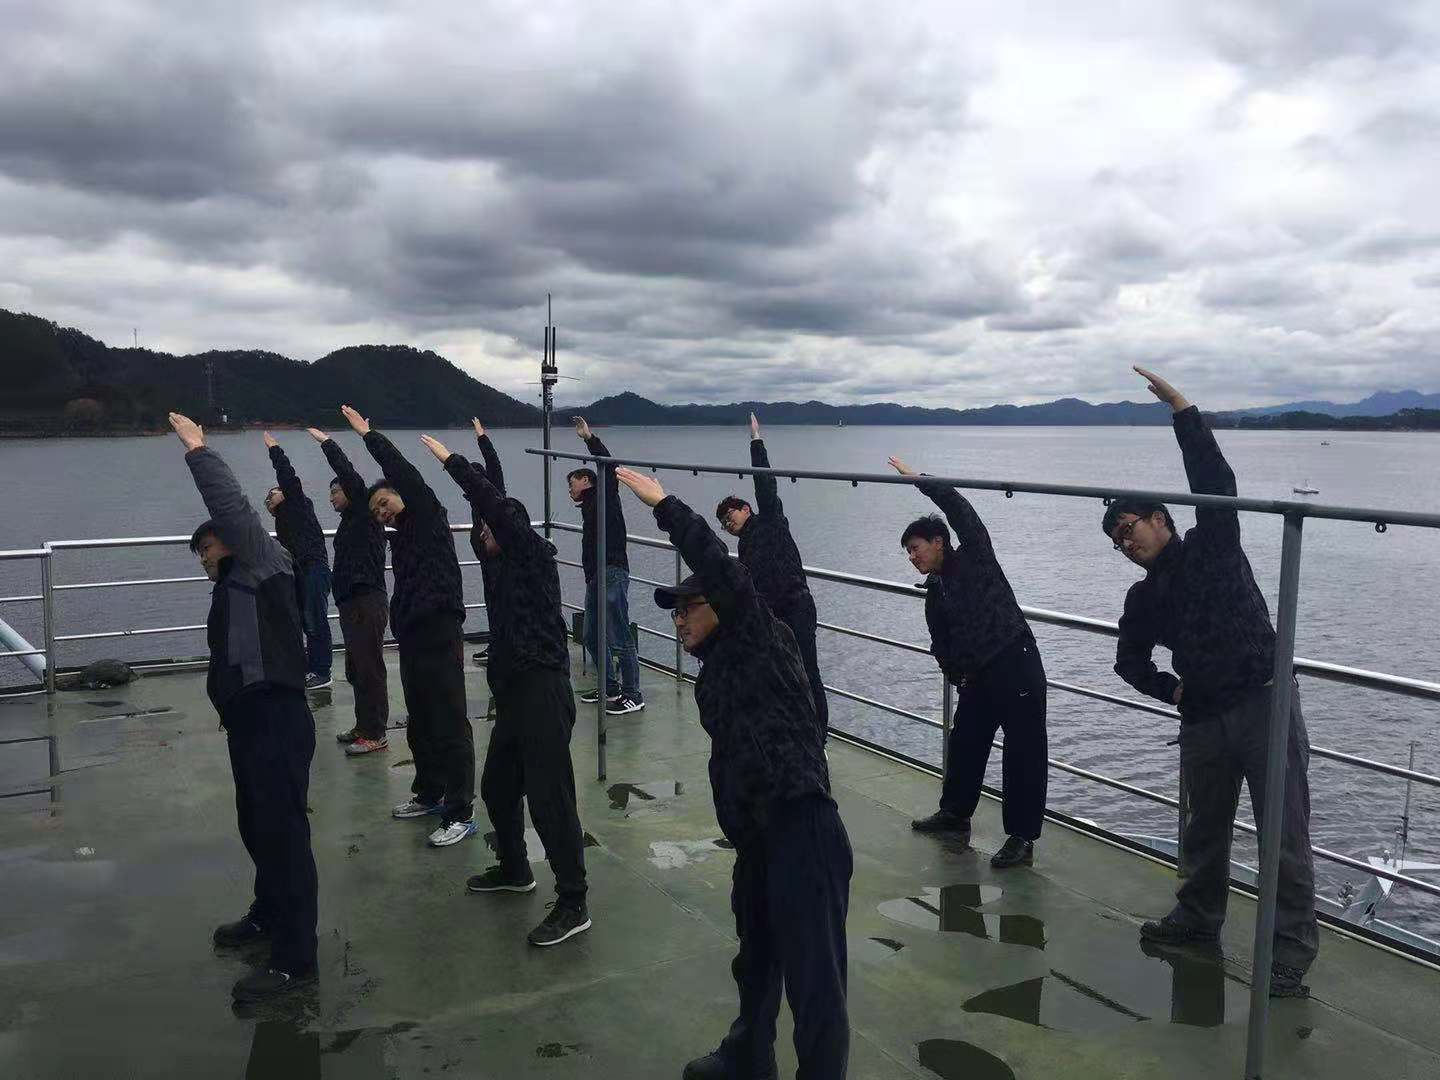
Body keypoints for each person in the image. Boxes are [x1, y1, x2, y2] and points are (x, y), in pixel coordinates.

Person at [615, 466, 851, 1080]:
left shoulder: (758, 637)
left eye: (688, 607)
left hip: (802, 825)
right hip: (758, 835)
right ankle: (748, 1056)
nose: (678, 619)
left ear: (722, 606)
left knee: (815, 985)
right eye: (674, 611)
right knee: (756, 961)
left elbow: (726, 573)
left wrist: (666, 507)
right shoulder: (717, 667)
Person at [1105, 366, 1318, 998]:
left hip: (1263, 702)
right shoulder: (1144, 597)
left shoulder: (1214, 544)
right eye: (1117, 541)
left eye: (1130, 528)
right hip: (1202, 718)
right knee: (1202, 830)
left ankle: (1288, 956)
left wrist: (1182, 411)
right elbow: (1128, 660)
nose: (1126, 543)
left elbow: (1216, 483)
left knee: (1283, 838)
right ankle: (1198, 920)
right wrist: (1172, 691)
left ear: (1160, 519)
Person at [168, 412, 318, 1003]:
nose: (203, 558)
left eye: (206, 547)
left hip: (277, 716)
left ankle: (295, 961)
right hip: (249, 723)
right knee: (257, 825)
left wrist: (198, 450)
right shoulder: (231, 586)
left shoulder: (262, 560)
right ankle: (268, 914)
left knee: (284, 834)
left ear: (230, 540)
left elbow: (231, 507)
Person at [421, 433, 592, 948]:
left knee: (550, 797)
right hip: (515, 693)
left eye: (491, 527)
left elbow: (494, 503)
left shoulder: (533, 557)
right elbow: (488, 507)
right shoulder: (496, 568)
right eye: (481, 529)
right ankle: (516, 869)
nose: (483, 533)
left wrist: (454, 463)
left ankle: (574, 901)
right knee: (497, 786)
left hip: (544, 687)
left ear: (512, 529)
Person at [892, 455, 1047, 870]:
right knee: (965, 744)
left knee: (1024, 751)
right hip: (977, 678)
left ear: (939, 542)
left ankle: (1021, 837)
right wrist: (957, 675)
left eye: (915, 548)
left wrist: (919, 480)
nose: (912, 557)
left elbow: (960, 509)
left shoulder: (975, 556)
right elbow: (940, 643)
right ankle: (955, 814)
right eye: (908, 552)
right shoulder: (935, 591)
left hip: (1015, 661)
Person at [342, 405, 476, 848]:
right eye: (376, 511)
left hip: (440, 629)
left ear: (401, 496)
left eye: (384, 503)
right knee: (420, 719)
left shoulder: (428, 516)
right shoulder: (400, 540)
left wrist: (369, 436)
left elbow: (403, 472)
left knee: (450, 719)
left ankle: (461, 810)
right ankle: (430, 793)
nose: (381, 512)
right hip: (413, 635)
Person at [715, 412, 828, 736]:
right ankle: (790, 729)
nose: (727, 523)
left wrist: (756, 441)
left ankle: (818, 735)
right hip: (770, 614)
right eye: (723, 523)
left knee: (807, 670)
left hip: (796, 605)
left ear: (746, 508)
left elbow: (765, 482)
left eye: (730, 515)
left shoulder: (770, 520)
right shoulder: (744, 548)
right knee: (778, 672)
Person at [307, 427, 390, 755]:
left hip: (367, 599)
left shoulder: (363, 514)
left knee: (369, 668)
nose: (331, 498)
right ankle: (363, 725)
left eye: (335, 492)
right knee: (356, 667)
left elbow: (349, 475)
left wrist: (327, 444)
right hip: (351, 602)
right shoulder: (349, 522)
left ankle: (376, 732)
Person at [567, 416, 643, 715]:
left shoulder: (605, 494)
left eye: (572, 483)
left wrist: (589, 438)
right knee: (591, 635)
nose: (569, 489)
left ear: (587, 480)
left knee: (619, 635)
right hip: (596, 574)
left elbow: (610, 467)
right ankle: (609, 686)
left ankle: (633, 693)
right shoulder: (588, 505)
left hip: (612, 569)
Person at [262, 432, 333, 690]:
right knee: (304, 621)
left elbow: (288, 477)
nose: (271, 496)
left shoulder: (298, 504)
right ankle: (309, 668)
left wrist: (275, 449)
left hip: (313, 567)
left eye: (274, 492)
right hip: (299, 572)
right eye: (268, 498)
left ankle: (321, 671)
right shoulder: (283, 522)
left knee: (314, 619)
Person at [469, 418, 504, 664]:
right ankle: (495, 645)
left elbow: (494, 462)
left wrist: (482, 436)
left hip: (499, 560)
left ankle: (502, 647)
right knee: (492, 603)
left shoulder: (494, 491)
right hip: (486, 560)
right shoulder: (474, 499)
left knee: (501, 603)